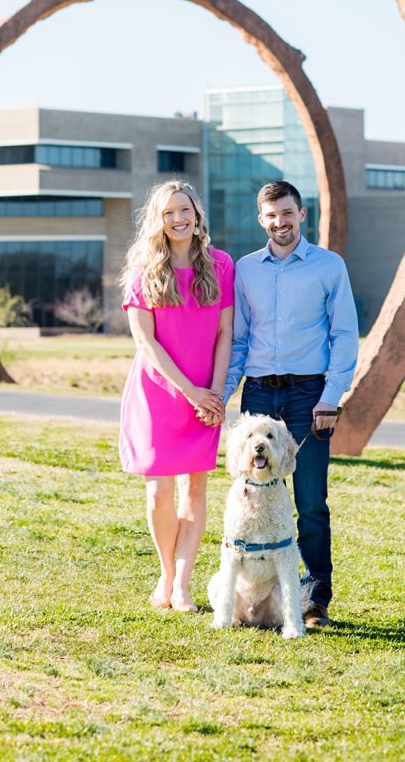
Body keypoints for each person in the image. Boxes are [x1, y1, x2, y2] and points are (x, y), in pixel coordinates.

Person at [221, 180, 359, 628]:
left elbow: (343, 335)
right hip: (259, 393)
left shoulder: (328, 266)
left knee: (311, 499)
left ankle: (314, 600)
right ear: (260, 219)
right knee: (251, 493)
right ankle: (251, 595)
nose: (279, 222)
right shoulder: (246, 270)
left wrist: (329, 398)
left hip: (308, 396)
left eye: (287, 213)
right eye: (271, 215)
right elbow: (240, 339)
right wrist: (222, 395)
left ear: (302, 214)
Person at [119, 180, 232, 613]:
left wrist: (215, 393)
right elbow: (146, 343)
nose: (178, 218)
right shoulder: (143, 270)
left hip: (208, 391)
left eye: (184, 209)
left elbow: (226, 333)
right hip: (158, 394)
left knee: (196, 490)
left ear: (197, 214)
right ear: (158, 220)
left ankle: (182, 585)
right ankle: (166, 573)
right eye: (168, 213)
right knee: (158, 493)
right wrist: (190, 393)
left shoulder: (220, 266)